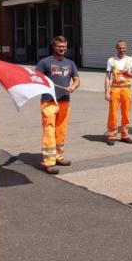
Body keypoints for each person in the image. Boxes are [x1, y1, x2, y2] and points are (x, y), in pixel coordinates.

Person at [35, 36, 80, 175]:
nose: (62, 49)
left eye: (64, 46)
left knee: (61, 130)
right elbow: (36, 77)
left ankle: (59, 157)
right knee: (49, 130)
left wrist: (73, 86)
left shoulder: (70, 63)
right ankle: (49, 162)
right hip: (49, 101)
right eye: (59, 46)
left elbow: (77, 79)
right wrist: (43, 82)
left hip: (65, 101)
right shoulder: (44, 62)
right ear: (53, 47)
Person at [104, 39, 132, 145]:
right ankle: (111, 135)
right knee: (113, 113)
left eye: (123, 48)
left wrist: (128, 73)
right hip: (115, 89)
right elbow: (108, 77)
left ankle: (125, 135)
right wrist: (106, 92)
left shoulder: (131, 60)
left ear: (126, 48)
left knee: (126, 113)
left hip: (126, 89)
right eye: (120, 48)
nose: (122, 50)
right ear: (116, 48)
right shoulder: (111, 60)